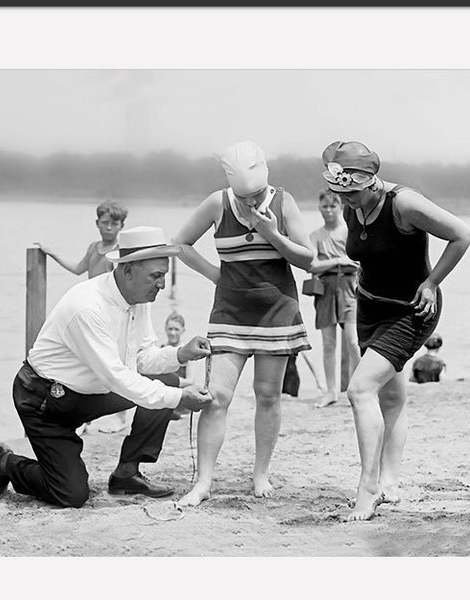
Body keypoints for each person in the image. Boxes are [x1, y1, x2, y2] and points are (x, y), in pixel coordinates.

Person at [0, 226, 213, 508]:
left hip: (90, 393)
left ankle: (126, 475)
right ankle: (7, 463)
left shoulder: (138, 297)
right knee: (71, 495)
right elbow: (118, 377)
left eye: (164, 275)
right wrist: (181, 398)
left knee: (166, 382)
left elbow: (141, 358)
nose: (162, 284)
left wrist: (181, 354)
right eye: (156, 276)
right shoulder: (87, 307)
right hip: (45, 401)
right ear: (127, 270)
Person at [321, 140, 470, 521]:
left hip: (412, 311)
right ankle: (390, 481)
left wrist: (432, 282)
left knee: (359, 389)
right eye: (341, 193)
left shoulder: (404, 203)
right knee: (390, 397)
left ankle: (367, 487)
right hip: (369, 307)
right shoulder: (353, 203)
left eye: (352, 192)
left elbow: (461, 234)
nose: (346, 200)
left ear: (371, 182)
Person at [172, 141, 314, 506]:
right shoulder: (217, 203)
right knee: (216, 398)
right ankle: (203, 482)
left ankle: (260, 473)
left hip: (277, 314)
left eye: (256, 195)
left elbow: (308, 260)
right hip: (230, 315)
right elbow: (181, 244)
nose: (251, 203)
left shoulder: (284, 202)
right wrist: (216, 275)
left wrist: (272, 234)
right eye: (244, 196)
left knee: (268, 396)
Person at [36, 200, 130, 435]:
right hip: (91, 311)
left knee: (115, 361)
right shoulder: (93, 247)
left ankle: (120, 417)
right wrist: (52, 253)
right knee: (86, 363)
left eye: (114, 224)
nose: (109, 228)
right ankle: (84, 418)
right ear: (97, 223)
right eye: (105, 223)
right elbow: (78, 269)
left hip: (111, 312)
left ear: (121, 226)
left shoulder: (120, 252)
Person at [308, 188, 361, 408]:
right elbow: (311, 265)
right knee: (328, 343)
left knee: (353, 341)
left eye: (333, 206)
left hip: (350, 287)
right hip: (325, 288)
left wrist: (343, 263)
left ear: (340, 207)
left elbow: (359, 262)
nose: (328, 211)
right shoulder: (315, 236)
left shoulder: (349, 232)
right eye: (325, 206)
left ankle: (358, 388)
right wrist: (339, 261)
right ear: (319, 208)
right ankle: (331, 391)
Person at [162, 311, 194, 419]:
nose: (172, 333)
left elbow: (190, 381)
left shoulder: (188, 352)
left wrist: (169, 380)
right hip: (163, 396)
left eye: (176, 329)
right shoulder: (160, 350)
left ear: (183, 331)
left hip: (179, 399)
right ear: (165, 329)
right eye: (170, 329)